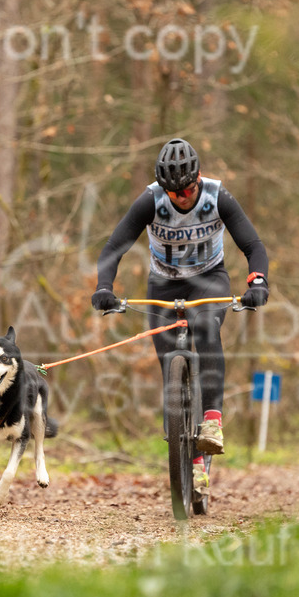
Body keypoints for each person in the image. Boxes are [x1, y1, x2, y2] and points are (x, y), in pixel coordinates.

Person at [91, 138, 269, 485]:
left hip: (209, 280)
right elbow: (114, 247)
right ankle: (184, 449)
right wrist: (104, 287)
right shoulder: (151, 200)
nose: (182, 197)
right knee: (169, 362)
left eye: (187, 189)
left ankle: (213, 420)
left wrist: (257, 281)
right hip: (164, 285)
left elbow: (252, 245)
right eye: (174, 193)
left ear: (198, 177)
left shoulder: (218, 196)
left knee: (205, 329)